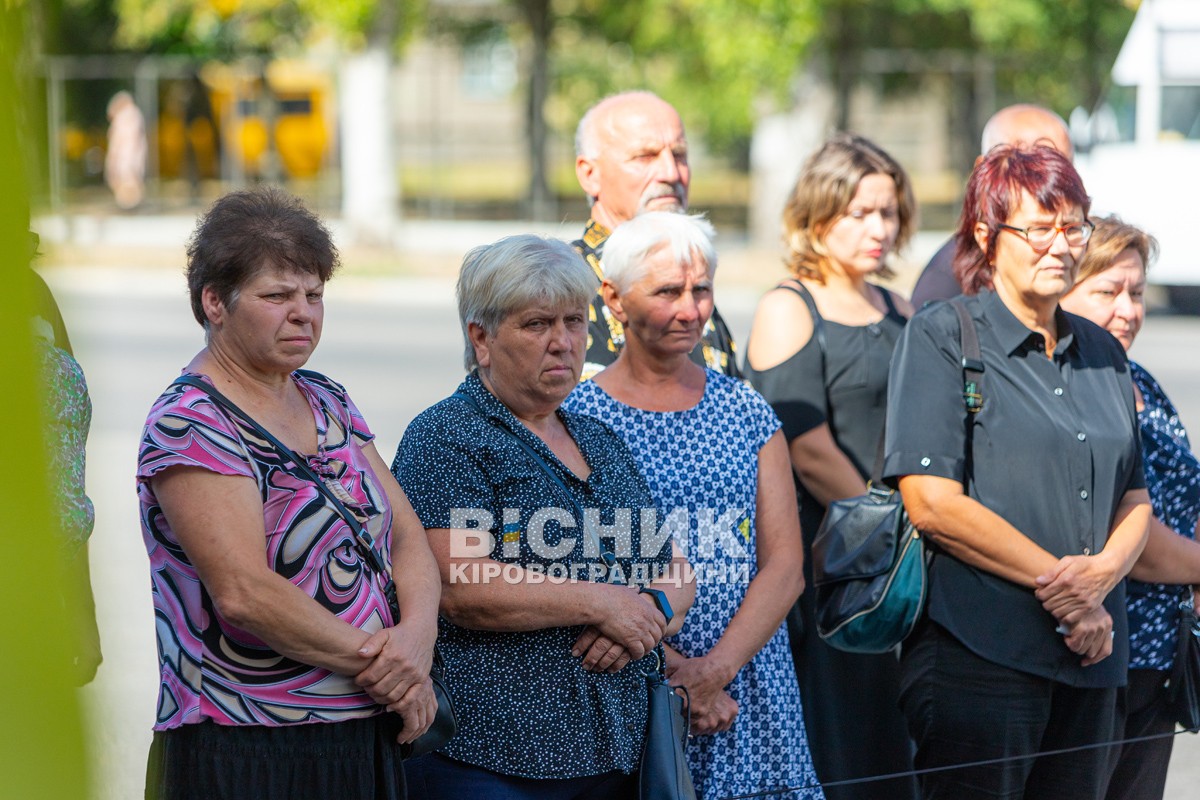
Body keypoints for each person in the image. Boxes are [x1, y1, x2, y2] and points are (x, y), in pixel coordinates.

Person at [137, 187, 441, 800]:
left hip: (364, 730)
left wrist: (417, 640)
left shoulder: (326, 398)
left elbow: (406, 534)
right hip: (247, 745)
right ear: (214, 302)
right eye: (277, 296)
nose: (303, 313)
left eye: (314, 295)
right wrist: (388, 667)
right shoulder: (192, 422)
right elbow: (244, 593)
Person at [885, 145, 1152, 799]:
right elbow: (933, 502)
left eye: (1073, 227)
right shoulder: (943, 336)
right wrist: (1066, 588)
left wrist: (1101, 579)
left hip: (1092, 657)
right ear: (987, 233)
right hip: (982, 655)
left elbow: (1135, 496)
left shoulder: (1101, 351)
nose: (1060, 245)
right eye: (1039, 228)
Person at [391, 234, 695, 799]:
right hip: (490, 758)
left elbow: (675, 570)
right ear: (480, 337)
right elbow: (463, 587)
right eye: (536, 325)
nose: (562, 343)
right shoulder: (446, 437)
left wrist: (646, 609)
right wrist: (606, 603)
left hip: (617, 749)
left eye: (574, 322)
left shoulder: (598, 439)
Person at [564, 212, 825, 800]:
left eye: (700, 289)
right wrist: (675, 671)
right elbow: (575, 568)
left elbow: (784, 566)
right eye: (667, 292)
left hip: (750, 678)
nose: (690, 310)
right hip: (632, 675)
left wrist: (715, 671)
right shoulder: (576, 418)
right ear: (614, 298)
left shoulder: (746, 411)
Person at [744, 132, 919, 799]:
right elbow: (804, 445)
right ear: (817, 216)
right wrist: (902, 530)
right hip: (834, 563)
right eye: (860, 213)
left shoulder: (901, 309)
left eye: (889, 212)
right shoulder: (790, 306)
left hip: (903, 563)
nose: (879, 228)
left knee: (895, 744)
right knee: (841, 747)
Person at [1059, 216, 1200, 800]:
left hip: (1161, 655)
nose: (1128, 310)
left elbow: (1190, 484)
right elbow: (1129, 531)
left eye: (1137, 293)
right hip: (1102, 650)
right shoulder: (1069, 381)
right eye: (1107, 291)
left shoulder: (1139, 377)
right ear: (1064, 290)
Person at [573, 90, 739, 379]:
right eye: (645, 156)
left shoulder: (690, 276)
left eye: (679, 155)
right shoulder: (565, 285)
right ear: (590, 174)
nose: (670, 173)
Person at [911, 104, 1073, 308]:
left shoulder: (1077, 248)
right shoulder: (946, 284)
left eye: (1064, 168)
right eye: (1032, 169)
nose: (1053, 182)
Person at [105, 90, 147, 210]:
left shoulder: (128, 115)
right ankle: (128, 204)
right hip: (127, 154)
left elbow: (127, 138)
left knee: (128, 180)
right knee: (125, 180)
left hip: (127, 155)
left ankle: (129, 205)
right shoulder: (129, 115)